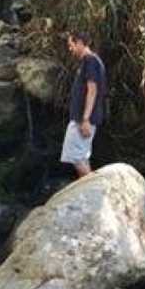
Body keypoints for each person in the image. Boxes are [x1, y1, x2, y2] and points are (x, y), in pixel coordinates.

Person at [60, 31, 107, 178]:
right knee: (81, 156)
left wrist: (85, 119)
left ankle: (94, 188)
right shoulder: (88, 62)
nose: (70, 49)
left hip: (83, 120)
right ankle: (91, 191)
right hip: (82, 119)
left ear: (80, 42)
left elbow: (92, 90)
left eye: (71, 45)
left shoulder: (91, 61)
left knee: (77, 157)